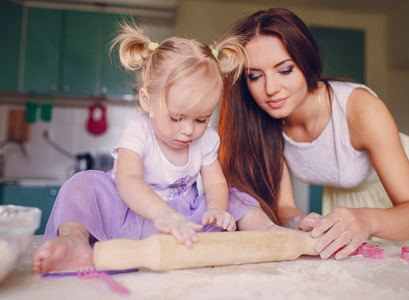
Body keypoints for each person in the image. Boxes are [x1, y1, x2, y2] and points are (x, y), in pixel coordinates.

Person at [32, 22, 288, 274]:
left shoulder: (206, 140)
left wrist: (216, 208)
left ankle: (270, 232)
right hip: (127, 214)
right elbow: (128, 179)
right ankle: (74, 241)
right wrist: (161, 213)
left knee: (234, 196)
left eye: (201, 119)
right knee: (81, 184)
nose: (188, 130)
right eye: (176, 118)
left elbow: (215, 185)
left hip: (182, 219)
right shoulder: (138, 132)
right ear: (147, 101)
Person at [217, 7, 409, 260]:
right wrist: (302, 222)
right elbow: (284, 207)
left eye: (284, 70)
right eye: (254, 76)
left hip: (399, 204)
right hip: (345, 202)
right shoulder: (265, 121)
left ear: (306, 63)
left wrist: (366, 219)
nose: (270, 88)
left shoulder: (361, 108)